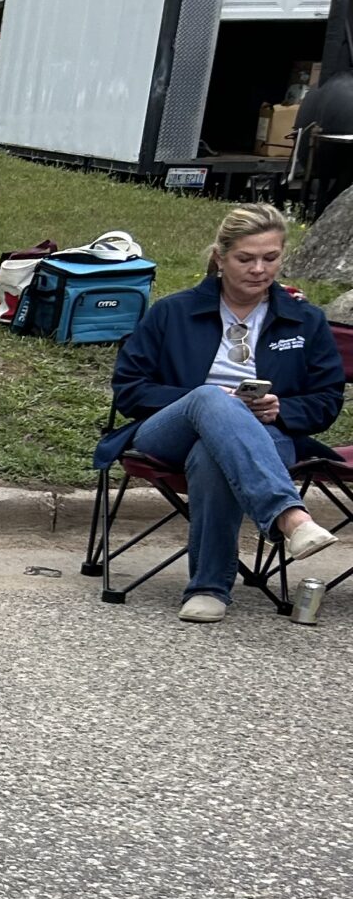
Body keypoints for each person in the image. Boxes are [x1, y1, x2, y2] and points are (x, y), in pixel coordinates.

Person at [99, 203, 342, 622]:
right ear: (220, 257)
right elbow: (130, 390)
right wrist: (201, 400)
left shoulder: (305, 320)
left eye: (271, 258)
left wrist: (281, 409)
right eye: (245, 258)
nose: (259, 269)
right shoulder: (172, 312)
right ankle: (290, 517)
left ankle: (209, 589)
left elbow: (326, 398)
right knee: (213, 399)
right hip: (169, 433)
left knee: (213, 456)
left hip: (267, 435)